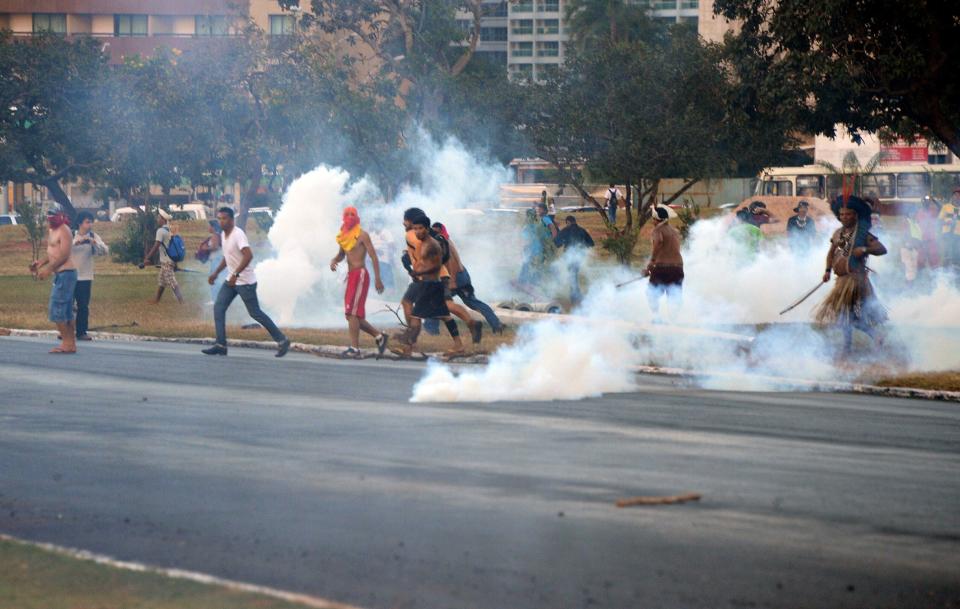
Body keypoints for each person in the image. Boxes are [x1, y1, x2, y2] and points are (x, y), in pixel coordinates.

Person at [202, 207, 290, 357]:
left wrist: (236, 273)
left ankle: (282, 340)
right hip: (232, 280)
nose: (221, 221)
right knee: (219, 308)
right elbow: (227, 257)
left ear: (231, 220)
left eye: (224, 218)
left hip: (245, 282)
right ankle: (221, 345)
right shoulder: (223, 235)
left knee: (255, 313)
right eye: (219, 219)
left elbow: (248, 255)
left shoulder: (238, 234)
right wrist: (216, 273)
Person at [815, 195, 887, 355]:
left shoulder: (863, 234)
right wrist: (827, 270)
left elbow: (882, 249)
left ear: (855, 215)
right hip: (842, 281)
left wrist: (864, 249)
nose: (844, 217)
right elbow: (831, 253)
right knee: (847, 317)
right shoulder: (838, 233)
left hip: (855, 281)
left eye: (848, 214)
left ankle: (851, 346)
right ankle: (872, 337)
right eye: (841, 214)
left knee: (846, 316)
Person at [395, 215, 467, 357]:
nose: (417, 232)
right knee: (445, 316)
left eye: (420, 228)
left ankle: (408, 349)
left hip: (430, 285)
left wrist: (418, 272)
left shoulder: (431, 245)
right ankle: (459, 345)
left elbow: (435, 267)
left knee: (415, 317)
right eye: (415, 229)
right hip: (430, 285)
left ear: (427, 229)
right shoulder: (423, 244)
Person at [329, 206, 389, 359]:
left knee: (353, 313)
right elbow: (342, 254)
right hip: (351, 276)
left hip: (360, 275)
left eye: (352, 214)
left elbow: (374, 257)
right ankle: (379, 337)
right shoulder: (344, 236)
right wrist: (334, 260)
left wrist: (378, 279)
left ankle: (355, 349)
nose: (349, 217)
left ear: (357, 217)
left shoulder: (363, 235)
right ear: (343, 217)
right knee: (351, 315)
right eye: (347, 214)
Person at [429, 221, 502, 336]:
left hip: (456, 277)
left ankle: (431, 330)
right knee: (472, 302)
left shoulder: (444, 243)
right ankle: (496, 325)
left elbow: (452, 263)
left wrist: (452, 281)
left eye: (436, 231)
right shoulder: (444, 242)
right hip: (461, 277)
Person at [29, 210, 78, 354]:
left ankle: (67, 343)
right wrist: (40, 263)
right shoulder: (52, 230)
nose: (48, 221)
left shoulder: (65, 230)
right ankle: (70, 344)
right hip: (60, 274)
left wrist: (48, 270)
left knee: (57, 309)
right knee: (65, 311)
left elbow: (64, 255)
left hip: (66, 273)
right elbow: (52, 251)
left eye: (51, 218)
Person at [71, 211, 109, 341]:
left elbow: (105, 251)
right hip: (69, 275)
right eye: (87, 222)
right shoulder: (71, 235)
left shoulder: (93, 236)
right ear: (79, 223)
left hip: (85, 276)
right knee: (68, 305)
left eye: (91, 222)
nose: (90, 224)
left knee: (83, 306)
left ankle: (81, 331)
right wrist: (76, 243)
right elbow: (62, 250)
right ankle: (66, 331)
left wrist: (93, 242)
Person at [642, 206, 684, 320]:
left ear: (656, 219)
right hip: (678, 268)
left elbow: (659, 242)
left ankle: (656, 318)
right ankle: (674, 320)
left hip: (662, 267)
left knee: (651, 294)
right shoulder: (675, 231)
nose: (652, 221)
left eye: (653, 219)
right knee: (674, 296)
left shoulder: (657, 230)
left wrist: (651, 264)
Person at [141, 210, 184, 304]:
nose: (157, 219)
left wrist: (147, 258)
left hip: (166, 262)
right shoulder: (170, 230)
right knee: (162, 281)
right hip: (170, 260)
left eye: (158, 217)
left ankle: (182, 301)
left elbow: (156, 246)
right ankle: (157, 300)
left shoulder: (160, 231)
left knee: (172, 282)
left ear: (163, 219)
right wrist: (175, 264)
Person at [554, 215, 595, 304]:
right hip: (580, 256)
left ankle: (574, 295)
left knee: (572, 274)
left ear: (568, 222)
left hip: (569, 256)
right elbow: (591, 243)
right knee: (574, 274)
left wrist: (563, 241)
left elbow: (557, 243)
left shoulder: (566, 230)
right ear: (575, 221)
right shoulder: (582, 230)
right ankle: (576, 294)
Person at [196, 220, 223, 304]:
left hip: (216, 260)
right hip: (216, 260)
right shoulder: (216, 235)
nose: (208, 228)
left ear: (213, 227)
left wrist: (205, 248)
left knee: (214, 280)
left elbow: (215, 247)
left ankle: (215, 300)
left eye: (210, 226)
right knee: (216, 279)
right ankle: (216, 299)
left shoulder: (216, 236)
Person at [938, 187, 960, 268]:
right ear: (952, 196)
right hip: (947, 235)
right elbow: (939, 222)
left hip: (958, 236)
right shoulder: (946, 207)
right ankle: (944, 275)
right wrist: (946, 222)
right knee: (946, 256)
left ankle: (956, 276)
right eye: (956, 195)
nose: (957, 197)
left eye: (959, 195)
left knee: (957, 258)